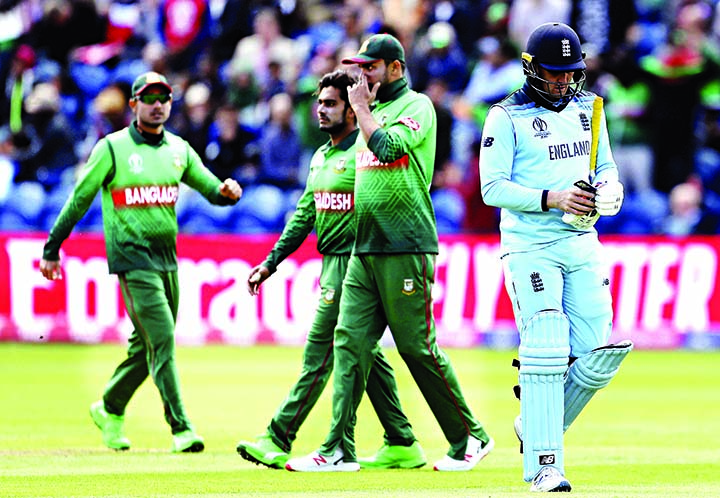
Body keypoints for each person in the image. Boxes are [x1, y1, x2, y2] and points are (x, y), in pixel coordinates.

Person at [285, 33, 493, 473]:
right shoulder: (372, 111)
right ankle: (338, 448)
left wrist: (360, 109)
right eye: (360, 68)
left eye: (371, 67)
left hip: (406, 243)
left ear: (395, 68)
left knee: (416, 347)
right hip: (366, 245)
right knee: (349, 342)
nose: (363, 77)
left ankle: (470, 437)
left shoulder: (416, 106)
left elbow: (388, 148)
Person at [38, 71, 243, 453]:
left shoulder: (179, 149)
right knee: (163, 337)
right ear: (133, 105)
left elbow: (210, 189)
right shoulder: (112, 148)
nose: (157, 105)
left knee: (145, 345)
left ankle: (109, 407)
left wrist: (226, 192)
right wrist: (52, 247)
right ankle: (181, 427)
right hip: (131, 259)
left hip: (168, 260)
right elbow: (79, 199)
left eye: (164, 98)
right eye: (149, 98)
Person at [236, 69, 426, 470]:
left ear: (352, 111)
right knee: (364, 355)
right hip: (330, 264)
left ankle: (277, 437)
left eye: (330, 103)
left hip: (356, 262)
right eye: (319, 103)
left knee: (319, 353)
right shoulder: (321, 155)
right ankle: (402, 441)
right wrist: (271, 262)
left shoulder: (364, 152)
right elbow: (305, 215)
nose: (320, 110)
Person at [478, 22, 633, 492]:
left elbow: (603, 165)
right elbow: (492, 188)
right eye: (554, 73)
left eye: (571, 72)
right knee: (545, 346)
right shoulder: (505, 117)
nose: (564, 82)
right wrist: (553, 198)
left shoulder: (590, 108)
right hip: (530, 246)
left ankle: (538, 420)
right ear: (531, 69)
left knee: (598, 354)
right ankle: (545, 468)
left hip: (582, 243)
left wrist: (609, 190)